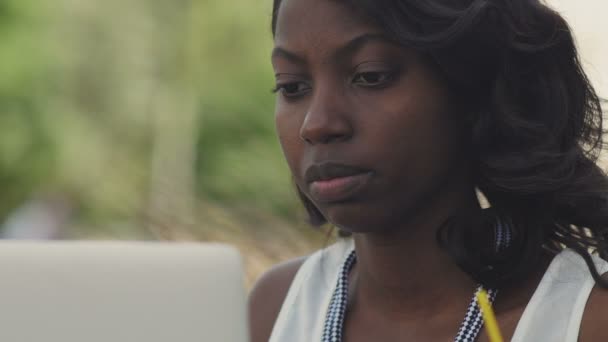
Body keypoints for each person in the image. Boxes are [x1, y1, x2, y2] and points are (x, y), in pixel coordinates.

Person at [249, 0, 608, 341]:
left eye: (370, 76)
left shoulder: (587, 319)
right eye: (292, 86)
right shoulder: (276, 307)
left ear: (471, 89)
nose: (316, 124)